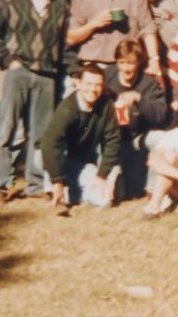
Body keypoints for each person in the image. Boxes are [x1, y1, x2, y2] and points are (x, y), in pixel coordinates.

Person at [0, 0, 70, 202]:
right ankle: (0, 185)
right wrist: (7, 60)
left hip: (48, 75)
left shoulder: (60, 2)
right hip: (18, 70)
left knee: (41, 134)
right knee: (8, 129)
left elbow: (64, 40)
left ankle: (35, 184)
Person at [40, 63, 120, 214]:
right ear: (78, 84)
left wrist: (102, 175)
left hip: (80, 161)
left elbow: (113, 140)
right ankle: (56, 191)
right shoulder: (68, 108)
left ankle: (73, 193)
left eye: (98, 85)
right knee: (47, 157)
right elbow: (49, 143)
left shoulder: (106, 106)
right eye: (88, 83)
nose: (93, 89)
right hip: (57, 157)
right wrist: (57, 180)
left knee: (104, 200)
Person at [103, 40, 169, 200]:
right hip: (111, 137)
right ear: (116, 62)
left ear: (139, 62)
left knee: (161, 138)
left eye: (130, 63)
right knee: (119, 192)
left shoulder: (148, 82)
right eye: (122, 62)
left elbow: (161, 114)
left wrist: (139, 98)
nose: (126, 68)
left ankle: (153, 189)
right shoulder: (107, 76)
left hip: (138, 136)